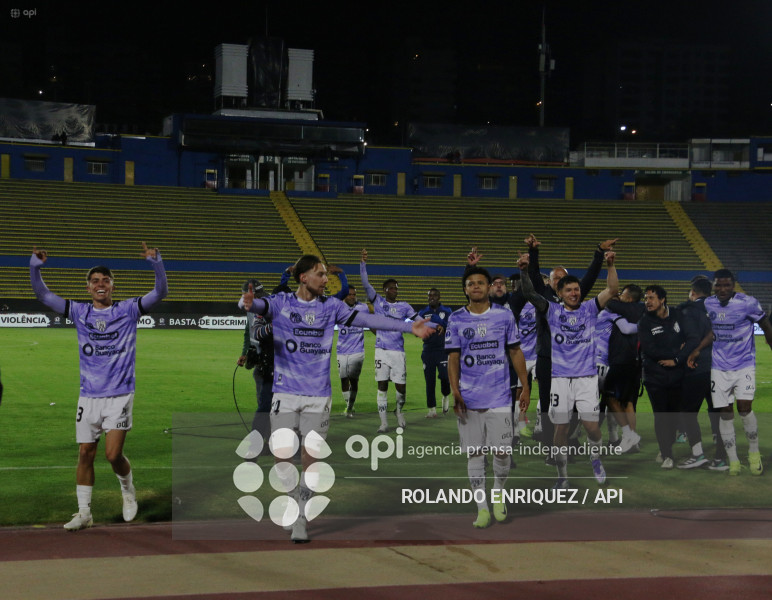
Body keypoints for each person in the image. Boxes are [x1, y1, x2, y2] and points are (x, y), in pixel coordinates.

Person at [240, 254, 435, 542]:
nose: (325, 279)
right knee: (281, 458)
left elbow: (368, 318)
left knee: (310, 459)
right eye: (320, 274)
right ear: (304, 277)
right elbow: (256, 305)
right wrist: (247, 302)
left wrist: (409, 326)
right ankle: (294, 499)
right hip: (285, 392)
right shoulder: (281, 303)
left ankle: (301, 514)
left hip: (319, 396)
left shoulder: (332, 307)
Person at [30, 243, 168, 530]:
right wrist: (35, 267)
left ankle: (128, 491)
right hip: (88, 396)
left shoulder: (129, 310)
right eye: (95, 281)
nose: (100, 284)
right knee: (84, 453)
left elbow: (160, 293)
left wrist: (157, 264)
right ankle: (84, 513)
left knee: (113, 455)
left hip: (119, 394)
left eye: (106, 280)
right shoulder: (79, 312)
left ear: (112, 286)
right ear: (88, 287)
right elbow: (43, 295)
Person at [519, 248, 618, 488]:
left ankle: (595, 458)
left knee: (592, 428)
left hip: (586, 379)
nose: (574, 293)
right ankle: (562, 476)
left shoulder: (590, 309)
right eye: (569, 290)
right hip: (560, 379)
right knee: (559, 428)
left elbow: (612, 290)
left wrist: (610, 264)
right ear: (559, 293)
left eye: (576, 289)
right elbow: (531, 293)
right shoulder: (552, 311)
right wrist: (523, 271)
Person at [446, 265, 529, 528]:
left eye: (481, 282)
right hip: (469, 398)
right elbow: (453, 357)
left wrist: (525, 386)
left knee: (503, 451)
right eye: (471, 283)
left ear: (490, 287)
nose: (476, 287)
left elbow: (515, 351)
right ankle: (481, 508)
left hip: (500, 396)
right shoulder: (457, 318)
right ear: (465, 289)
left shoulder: (504, 316)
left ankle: (498, 495)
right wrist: (456, 391)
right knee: (475, 454)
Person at [702, 269, 772, 476]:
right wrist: (697, 349)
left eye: (727, 285)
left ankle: (753, 453)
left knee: (744, 408)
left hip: (744, 364)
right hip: (719, 367)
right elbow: (712, 330)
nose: (722, 289)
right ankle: (733, 460)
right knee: (725, 413)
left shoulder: (748, 303)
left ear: (733, 285)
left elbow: (765, 326)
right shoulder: (708, 303)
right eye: (718, 285)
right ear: (713, 285)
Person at [636, 285, 701, 470]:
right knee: (661, 415)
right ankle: (666, 454)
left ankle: (666, 446)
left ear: (662, 299)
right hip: (654, 375)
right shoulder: (644, 322)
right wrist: (675, 354)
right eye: (646, 298)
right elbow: (650, 349)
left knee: (673, 415)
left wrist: (677, 359)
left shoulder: (679, 315)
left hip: (678, 374)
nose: (647, 302)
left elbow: (693, 338)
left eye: (651, 298)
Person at [360, 248, 423, 432]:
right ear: (385, 290)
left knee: (401, 389)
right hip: (381, 350)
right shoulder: (378, 302)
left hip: (398, 352)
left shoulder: (404, 306)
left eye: (396, 288)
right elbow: (365, 283)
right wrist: (363, 263)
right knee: (381, 385)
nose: (395, 290)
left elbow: (418, 320)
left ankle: (398, 410)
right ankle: (384, 422)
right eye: (392, 288)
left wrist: (429, 327)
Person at [674, 277, 715, 469]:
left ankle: (698, 454)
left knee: (687, 412)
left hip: (696, 366)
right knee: (718, 409)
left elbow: (689, 338)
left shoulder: (689, 310)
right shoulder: (718, 308)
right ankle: (722, 450)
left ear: (693, 292)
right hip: (720, 368)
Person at [602, 284, 644, 453]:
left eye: (622, 294)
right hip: (634, 361)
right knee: (628, 402)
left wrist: (612, 297)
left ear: (630, 299)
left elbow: (609, 303)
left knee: (608, 395)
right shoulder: (641, 312)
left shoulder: (628, 310)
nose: (619, 296)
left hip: (622, 360)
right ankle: (632, 441)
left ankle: (628, 435)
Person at [237, 278, 273, 440]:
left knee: (270, 406)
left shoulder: (270, 306)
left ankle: (267, 440)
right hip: (262, 363)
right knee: (265, 405)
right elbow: (248, 330)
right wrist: (245, 352)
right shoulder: (250, 309)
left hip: (274, 362)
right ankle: (262, 440)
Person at [418, 288, 452, 417]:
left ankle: (445, 395)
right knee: (430, 381)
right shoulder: (422, 313)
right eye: (429, 295)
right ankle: (431, 409)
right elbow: (418, 329)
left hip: (443, 350)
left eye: (434, 295)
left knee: (444, 377)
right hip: (428, 351)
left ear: (439, 297)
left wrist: (438, 320)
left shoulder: (447, 311)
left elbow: (451, 327)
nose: (432, 297)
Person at [337, 285, 369, 418]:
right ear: (345, 295)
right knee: (344, 380)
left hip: (357, 350)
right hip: (341, 350)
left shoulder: (363, 308)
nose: (352, 297)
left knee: (353, 380)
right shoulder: (338, 308)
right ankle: (348, 405)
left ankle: (349, 408)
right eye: (349, 294)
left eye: (354, 294)